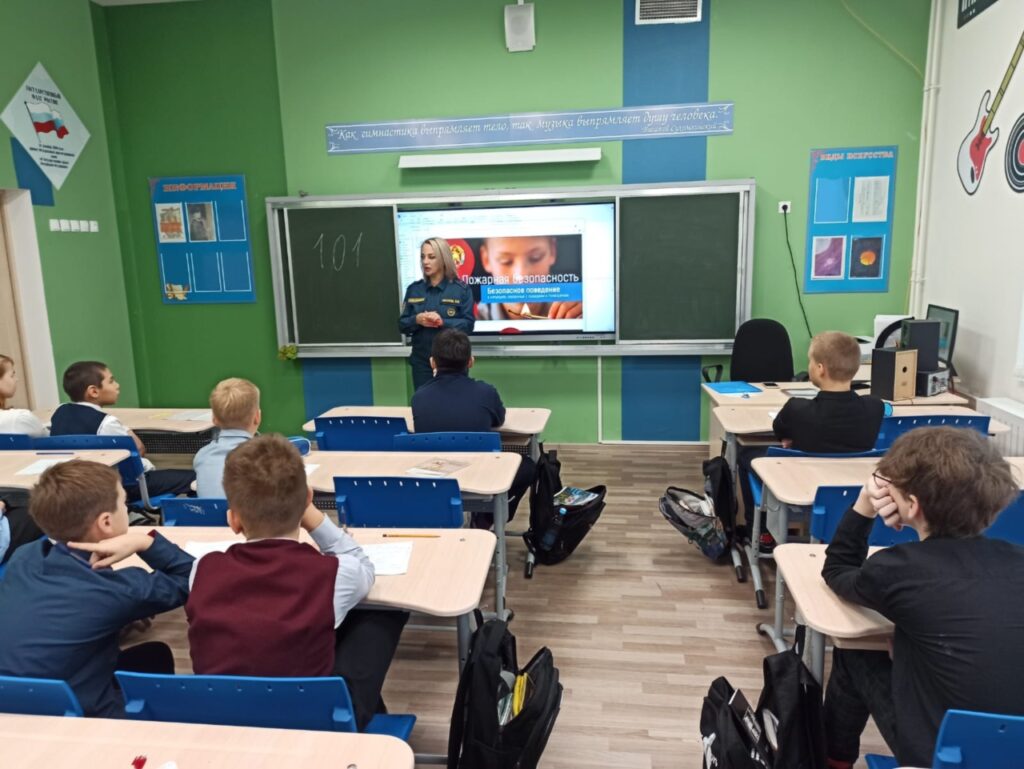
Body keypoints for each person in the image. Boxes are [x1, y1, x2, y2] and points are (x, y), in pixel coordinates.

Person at [820, 427, 1024, 768]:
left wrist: (865, 503)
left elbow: (838, 569)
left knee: (854, 651)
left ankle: (833, 760)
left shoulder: (898, 569)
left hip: (943, 758)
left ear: (912, 505)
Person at [185, 434, 407, 730]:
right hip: (312, 721)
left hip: (221, 717)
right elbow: (363, 565)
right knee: (382, 615)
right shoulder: (334, 573)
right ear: (308, 500)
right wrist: (314, 519)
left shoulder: (201, 569)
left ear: (233, 519)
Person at [0, 460, 193, 716]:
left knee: (148, 653)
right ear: (106, 522)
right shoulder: (119, 590)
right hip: (73, 714)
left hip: (9, 701)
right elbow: (193, 577)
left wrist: (116, 615)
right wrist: (144, 543)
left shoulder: (25, 556)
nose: (126, 508)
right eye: (124, 503)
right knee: (155, 656)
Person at [737, 331, 884, 551]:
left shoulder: (797, 409)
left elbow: (779, 430)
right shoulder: (875, 408)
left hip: (801, 486)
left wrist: (790, 437)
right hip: (851, 490)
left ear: (820, 369)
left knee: (746, 455)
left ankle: (758, 532)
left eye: (811, 362)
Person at [411, 329, 535, 525]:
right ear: (470, 362)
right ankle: (488, 516)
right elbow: (498, 420)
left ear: (432, 362)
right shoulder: (486, 392)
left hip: (434, 477)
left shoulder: (419, 396)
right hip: (480, 475)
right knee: (528, 466)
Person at [49, 361, 195, 503]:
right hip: (120, 487)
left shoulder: (60, 412)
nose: (117, 385)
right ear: (93, 391)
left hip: (73, 486)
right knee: (195, 477)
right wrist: (123, 426)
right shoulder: (106, 423)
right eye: (111, 381)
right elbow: (139, 450)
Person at [398, 237, 474, 390]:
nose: (425, 262)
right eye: (423, 257)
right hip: (422, 363)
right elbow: (402, 325)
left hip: (453, 362)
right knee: (424, 402)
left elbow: (468, 325)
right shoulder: (414, 289)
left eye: (431, 257)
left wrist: (443, 322)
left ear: (443, 258)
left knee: (454, 402)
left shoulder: (461, 290)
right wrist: (417, 319)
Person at [0, 354, 49, 563]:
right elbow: (47, 439)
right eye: (12, 375)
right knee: (52, 507)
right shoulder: (18, 418)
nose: (16, 379)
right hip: (18, 494)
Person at [475, 236, 582, 321]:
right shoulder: (473, 320)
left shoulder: (578, 311)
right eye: (506, 261)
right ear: (486, 259)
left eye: (535, 257)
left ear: (553, 251)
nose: (521, 278)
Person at [193, 377, 260, 498]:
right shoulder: (264, 459)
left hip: (210, 511)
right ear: (257, 417)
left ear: (214, 419)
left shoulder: (202, 456)